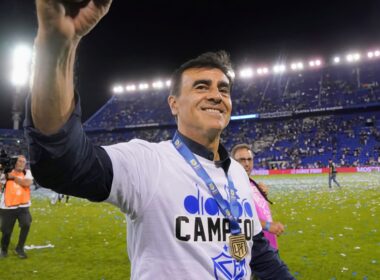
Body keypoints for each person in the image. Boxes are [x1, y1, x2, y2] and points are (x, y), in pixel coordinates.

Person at [27, 1, 294, 279]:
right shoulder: (149, 163)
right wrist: (57, 44)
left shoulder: (237, 174)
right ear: (174, 104)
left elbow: (257, 251)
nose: (216, 95)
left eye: (223, 89)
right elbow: (63, 164)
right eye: (201, 86)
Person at [231, 144, 284, 250]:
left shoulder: (253, 184)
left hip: (269, 244)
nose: (247, 163)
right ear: (233, 163)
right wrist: (269, 226)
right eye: (242, 160)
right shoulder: (232, 187)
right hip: (254, 248)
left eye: (249, 159)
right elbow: (239, 219)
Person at [0, 155, 33, 259]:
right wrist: (3, 172)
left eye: (24, 161)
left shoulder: (27, 172)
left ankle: (19, 248)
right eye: (20, 161)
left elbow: (27, 183)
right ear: (14, 162)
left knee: (26, 224)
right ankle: (4, 249)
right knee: (6, 231)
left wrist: (13, 177)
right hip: (7, 207)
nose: (22, 163)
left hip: (23, 206)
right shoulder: (6, 173)